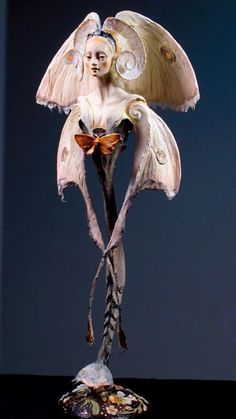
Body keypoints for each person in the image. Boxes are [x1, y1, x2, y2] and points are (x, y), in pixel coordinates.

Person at [36, 10, 199, 388]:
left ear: (115, 59)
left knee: (115, 240)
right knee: (106, 238)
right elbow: (72, 159)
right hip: (99, 187)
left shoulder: (132, 105)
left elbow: (145, 156)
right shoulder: (81, 107)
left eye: (101, 57)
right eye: (89, 56)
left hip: (119, 188)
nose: (93, 62)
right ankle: (101, 357)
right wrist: (92, 217)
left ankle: (106, 347)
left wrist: (122, 213)